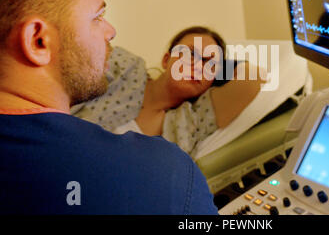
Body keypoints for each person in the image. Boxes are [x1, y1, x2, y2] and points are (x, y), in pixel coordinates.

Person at [0, 0, 217, 214]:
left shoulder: (191, 124)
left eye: (210, 62)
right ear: (38, 41)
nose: (111, 31)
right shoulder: (168, 178)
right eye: (98, 16)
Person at [72, 26, 266, 157]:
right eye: (191, 53)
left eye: (210, 63)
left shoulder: (192, 122)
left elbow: (251, 78)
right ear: (166, 60)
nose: (198, 65)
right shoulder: (125, 67)